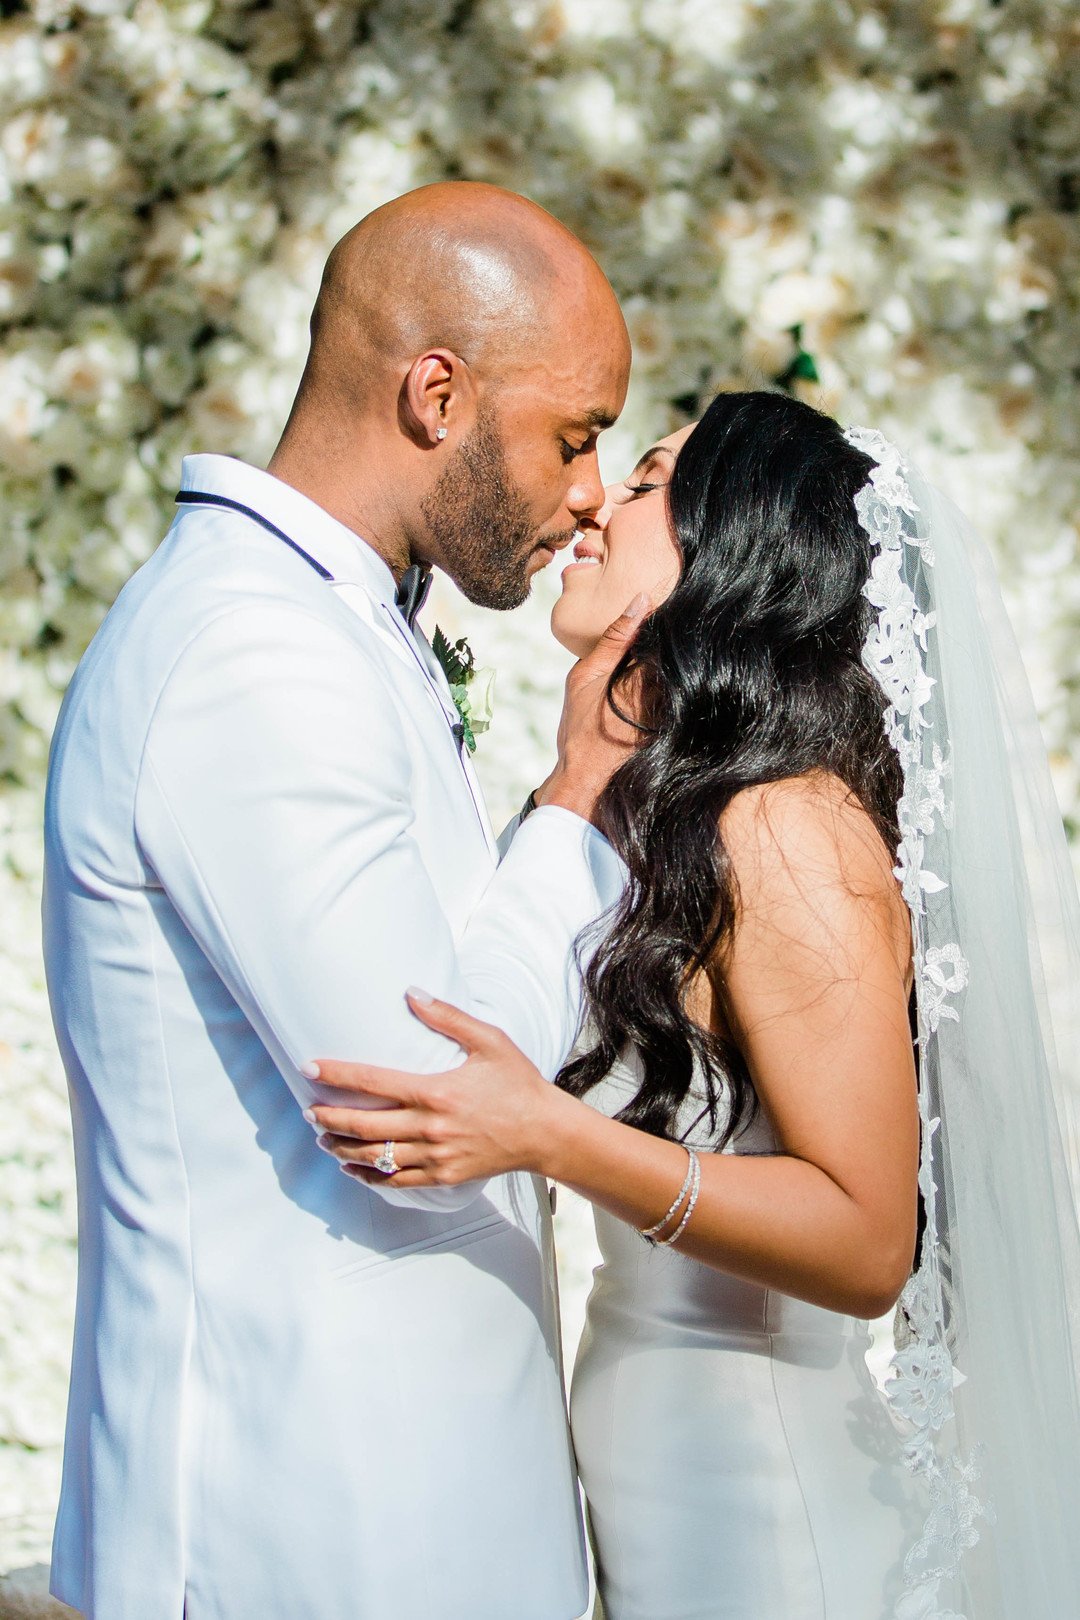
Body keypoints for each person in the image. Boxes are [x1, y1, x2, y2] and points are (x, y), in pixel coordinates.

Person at [310, 391, 1080, 1619]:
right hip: (649, 1485)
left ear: (740, 541)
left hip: (770, 1511)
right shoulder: (652, 813)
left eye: (652, 477)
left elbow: (866, 1235)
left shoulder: (788, 827)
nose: (599, 500)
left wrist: (551, 1135)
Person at [42, 182, 637, 1620]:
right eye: (574, 435)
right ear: (437, 392)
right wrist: (580, 792)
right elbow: (424, 1093)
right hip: (301, 1527)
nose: (589, 495)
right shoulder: (252, 646)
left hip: (407, 1509)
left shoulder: (325, 618)